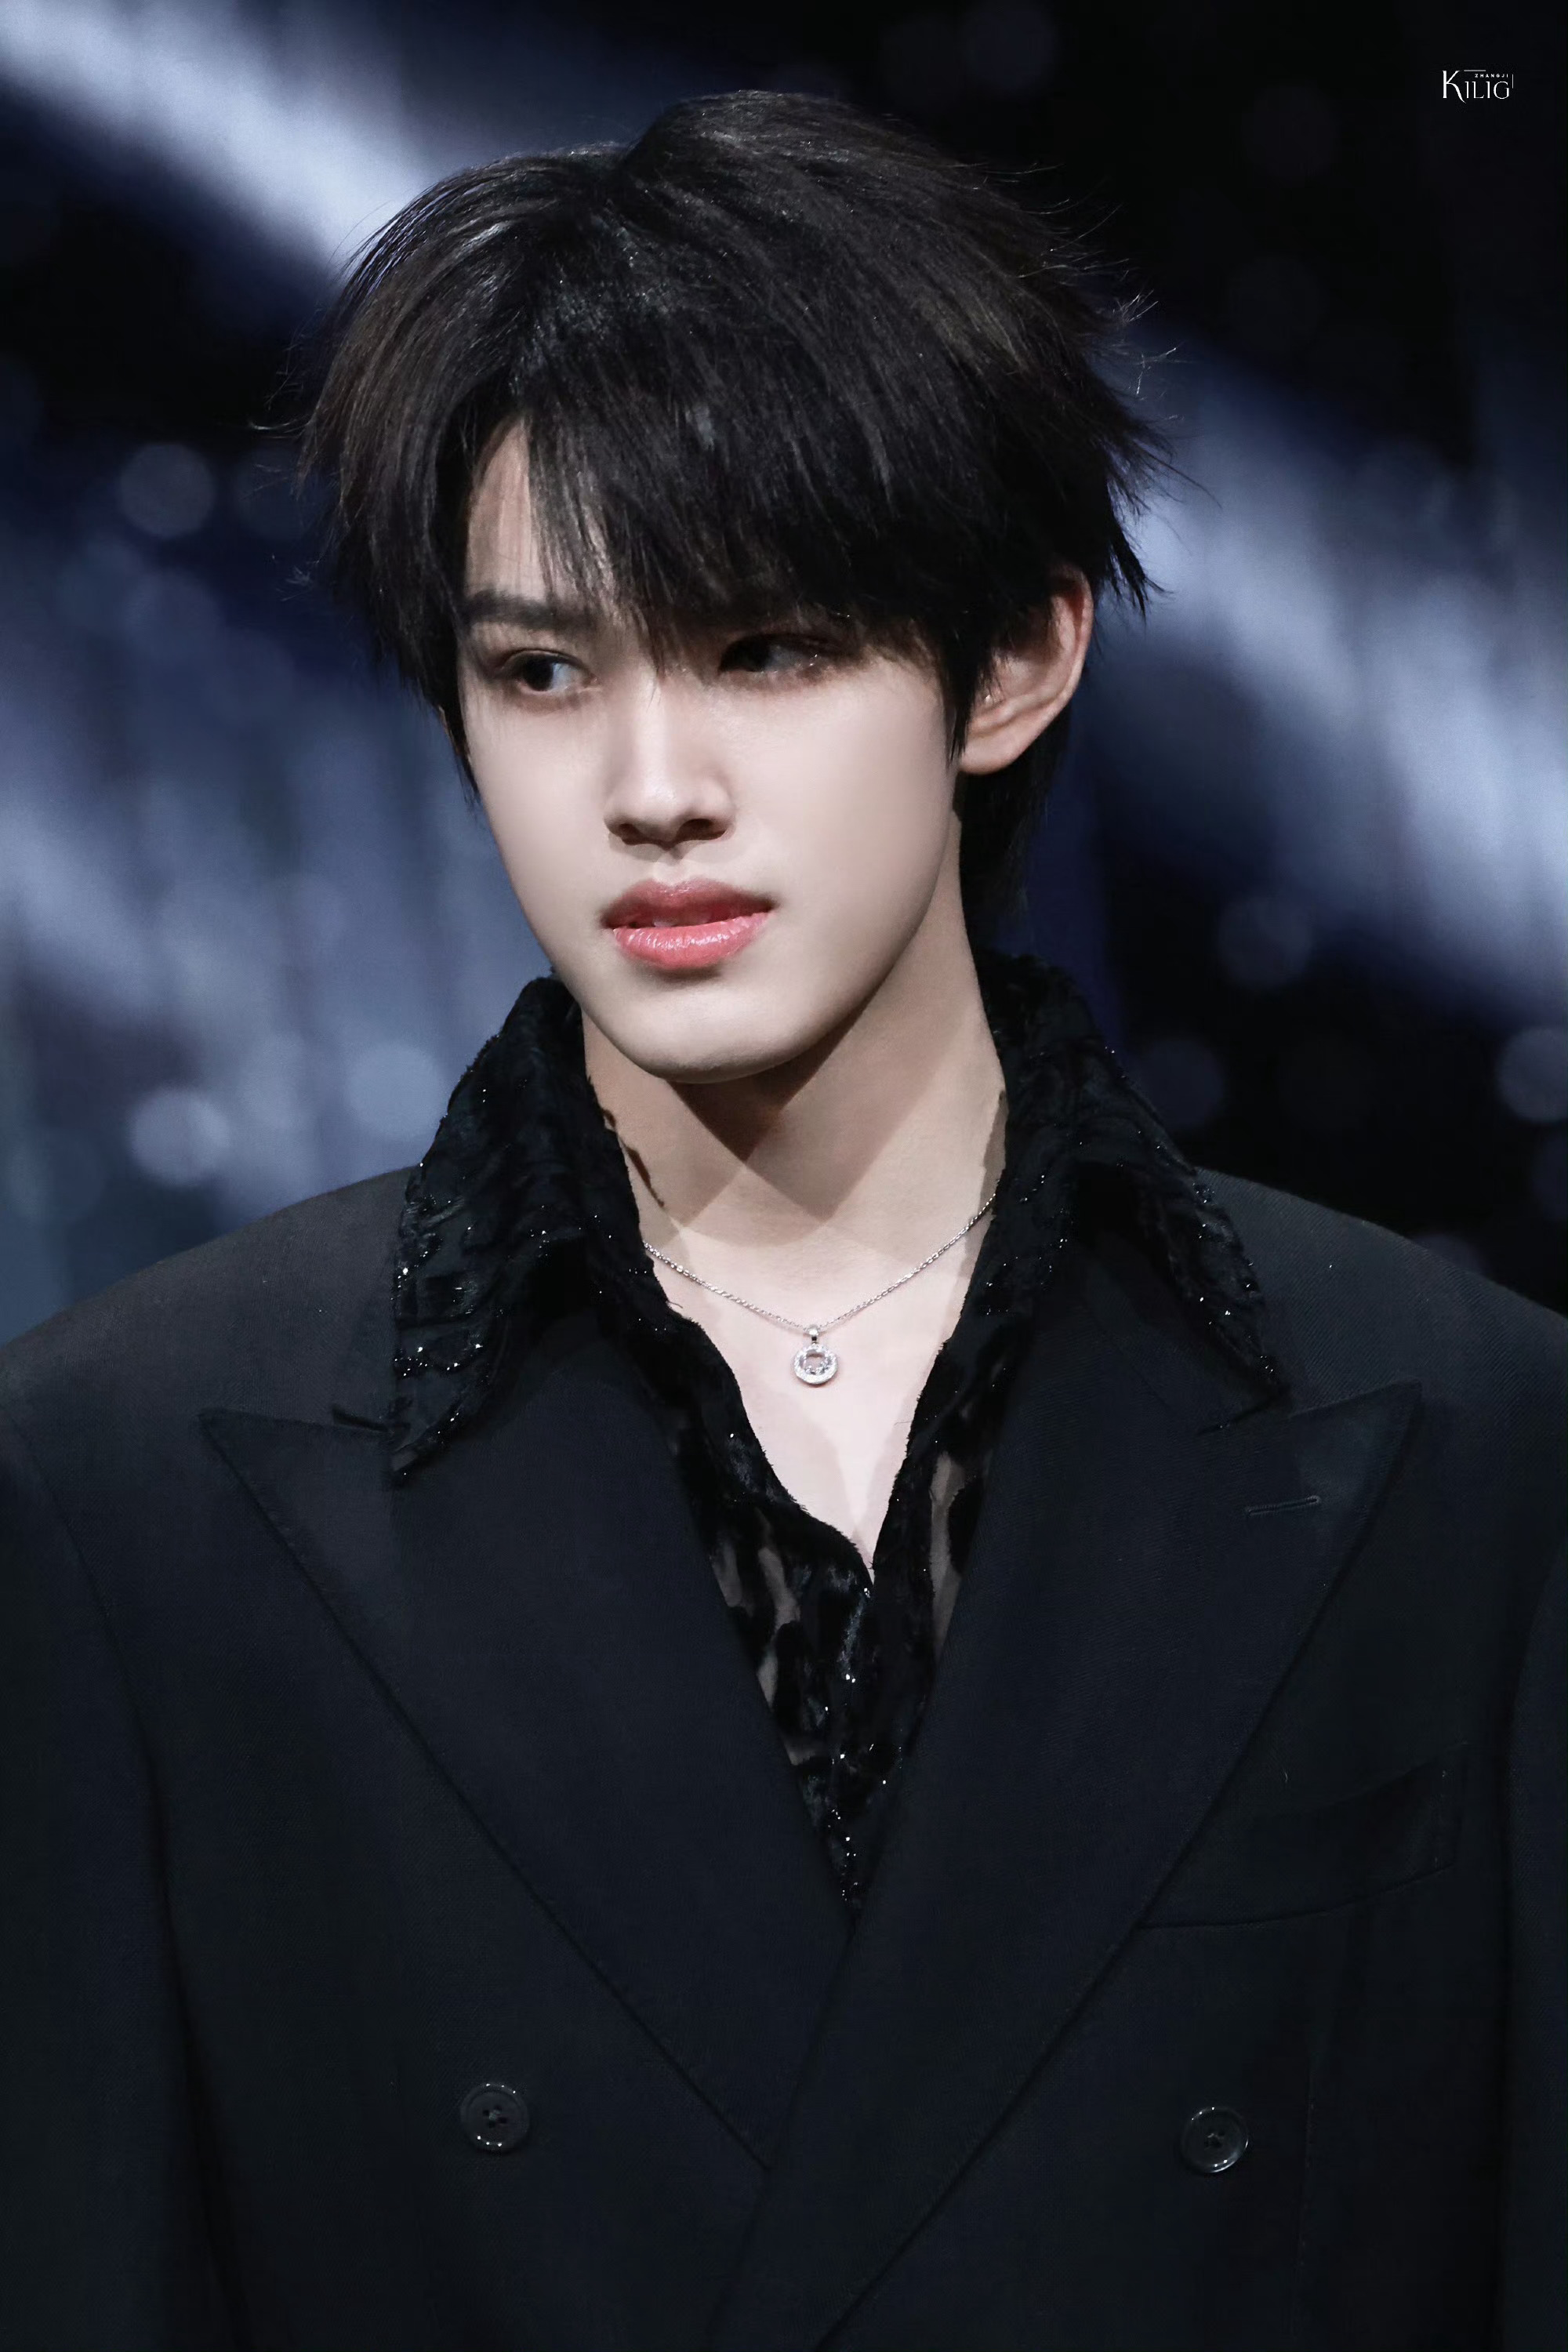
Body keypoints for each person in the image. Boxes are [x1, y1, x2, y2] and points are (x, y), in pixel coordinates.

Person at [0, 90, 1560, 2352]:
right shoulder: (118, 1482)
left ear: (1012, 661)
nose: (652, 788)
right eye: (544, 671)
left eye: (764, 650)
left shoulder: (1474, 1442)